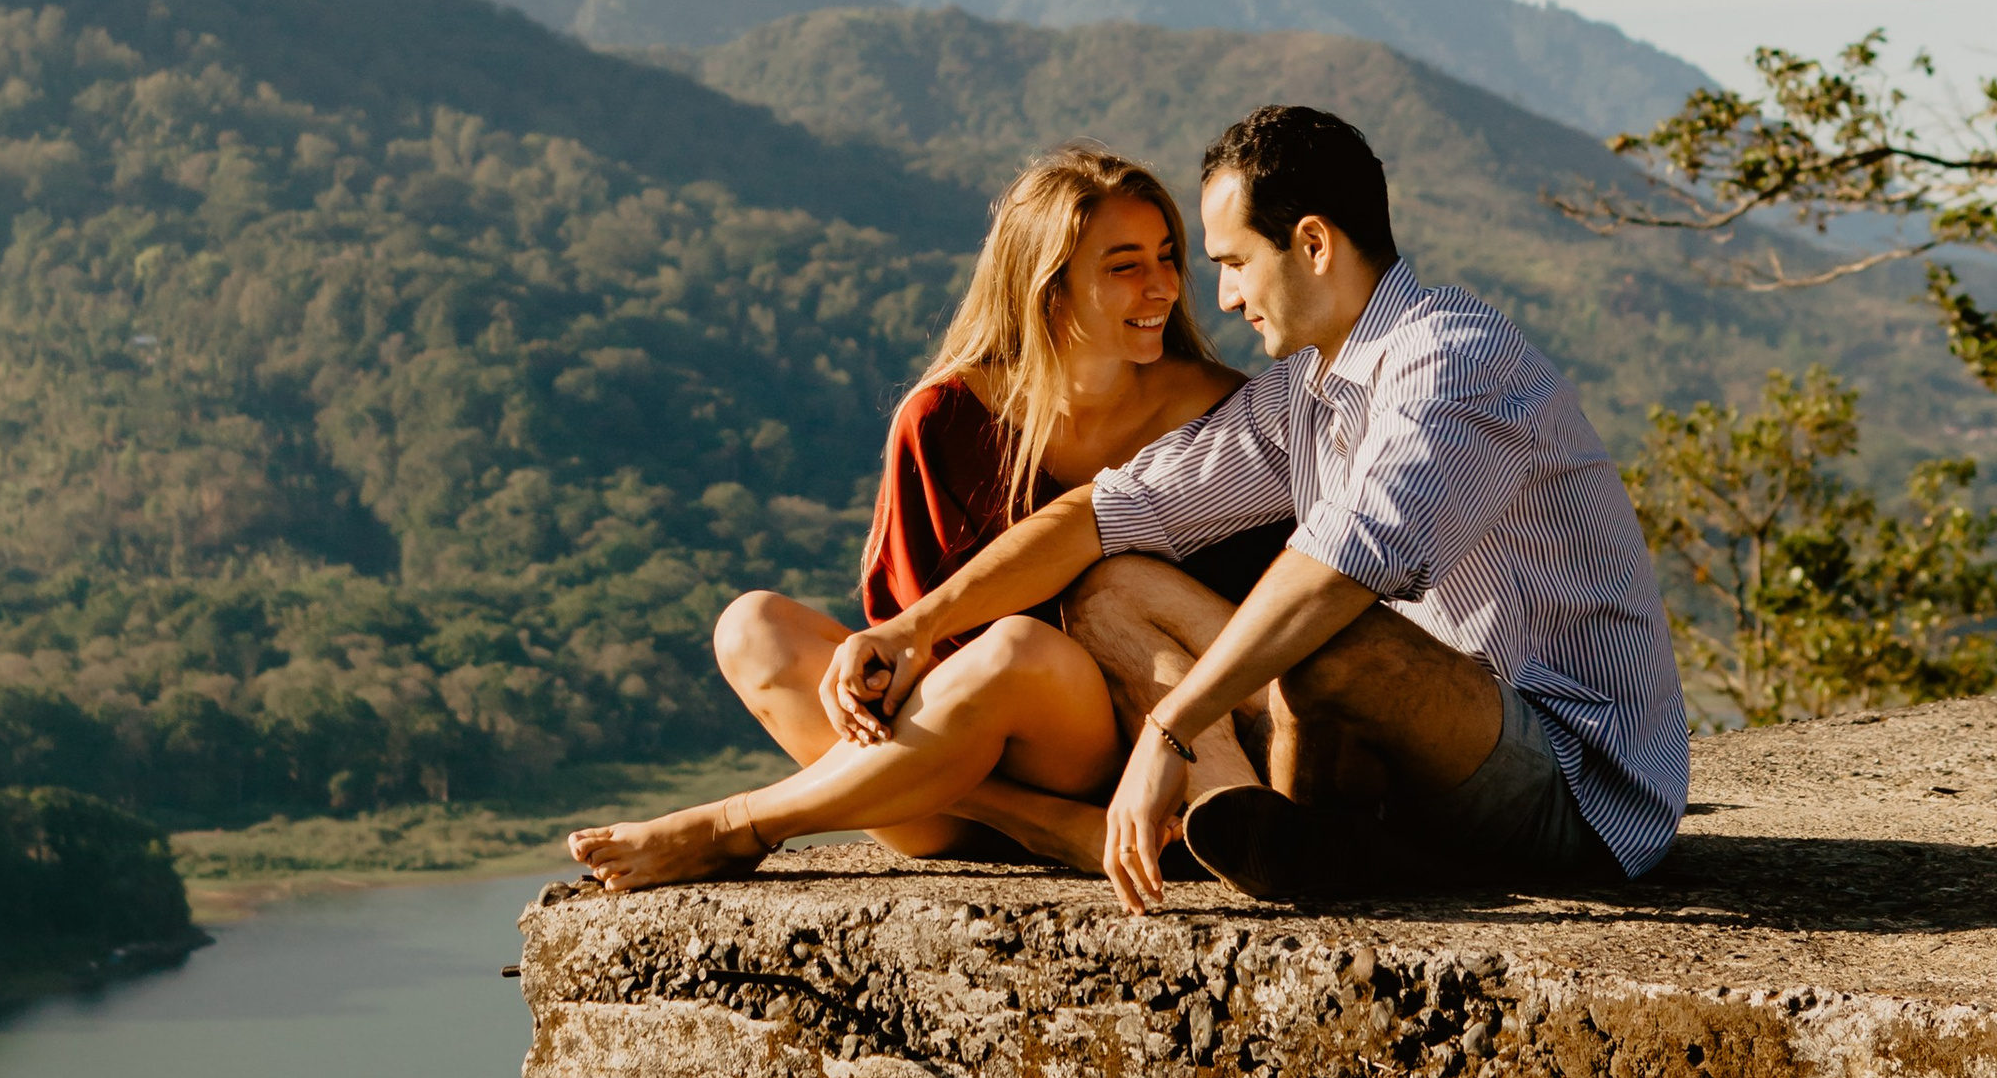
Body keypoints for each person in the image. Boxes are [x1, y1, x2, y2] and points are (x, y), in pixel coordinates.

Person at [824, 102, 1687, 910]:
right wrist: (916, 628)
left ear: (1312, 244)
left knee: (1324, 634)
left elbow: (1335, 576)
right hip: (1427, 747)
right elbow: (1101, 511)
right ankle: (1252, 814)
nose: (1224, 297)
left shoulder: (1452, 362)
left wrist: (1168, 729)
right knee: (1112, 585)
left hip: (1573, 785)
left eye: (1234, 263)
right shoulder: (1303, 392)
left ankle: (1329, 844)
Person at [567, 146, 1287, 892]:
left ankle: (736, 824)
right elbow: (913, 647)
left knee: (1016, 650)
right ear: (1048, 287)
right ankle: (1029, 820)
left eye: (1167, 257)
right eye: (1125, 265)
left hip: (1132, 751)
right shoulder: (946, 417)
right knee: (752, 628)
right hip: (948, 761)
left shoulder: (1218, 412)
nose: (1164, 285)